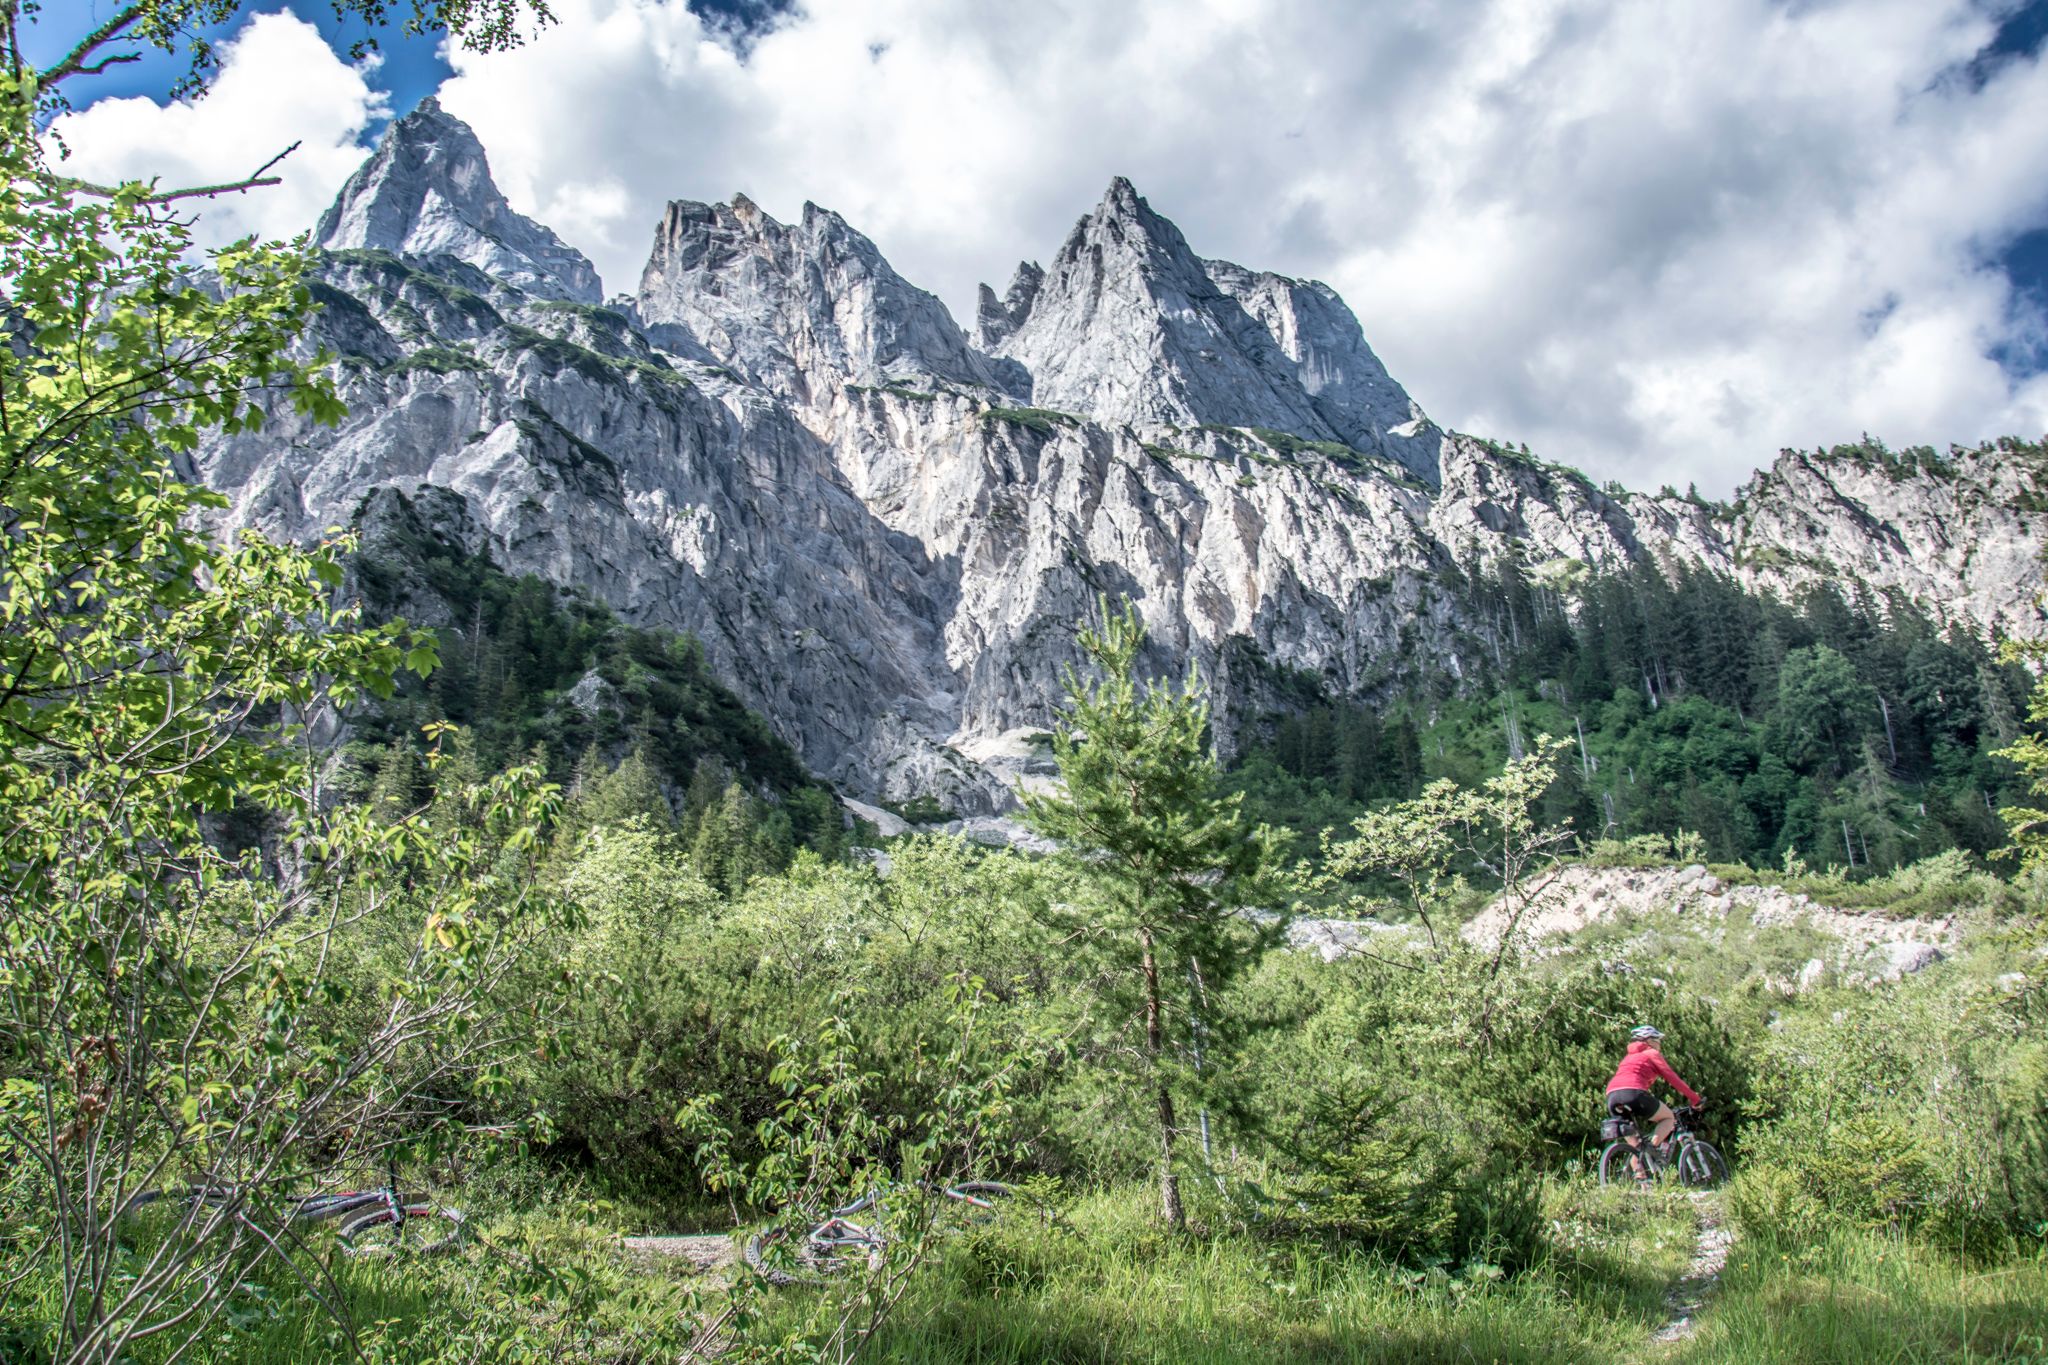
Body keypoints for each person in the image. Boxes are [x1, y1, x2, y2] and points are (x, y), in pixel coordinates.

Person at [1605, 1025, 1701, 1174]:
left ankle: (1642, 1182)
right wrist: (1694, 1099)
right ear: (1649, 1041)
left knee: (1636, 1147)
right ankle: (1652, 1148)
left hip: (1612, 1096)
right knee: (1668, 1117)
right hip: (1633, 1093)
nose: (1659, 1044)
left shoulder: (1628, 1057)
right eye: (1658, 1040)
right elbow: (1672, 1078)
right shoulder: (1651, 1053)